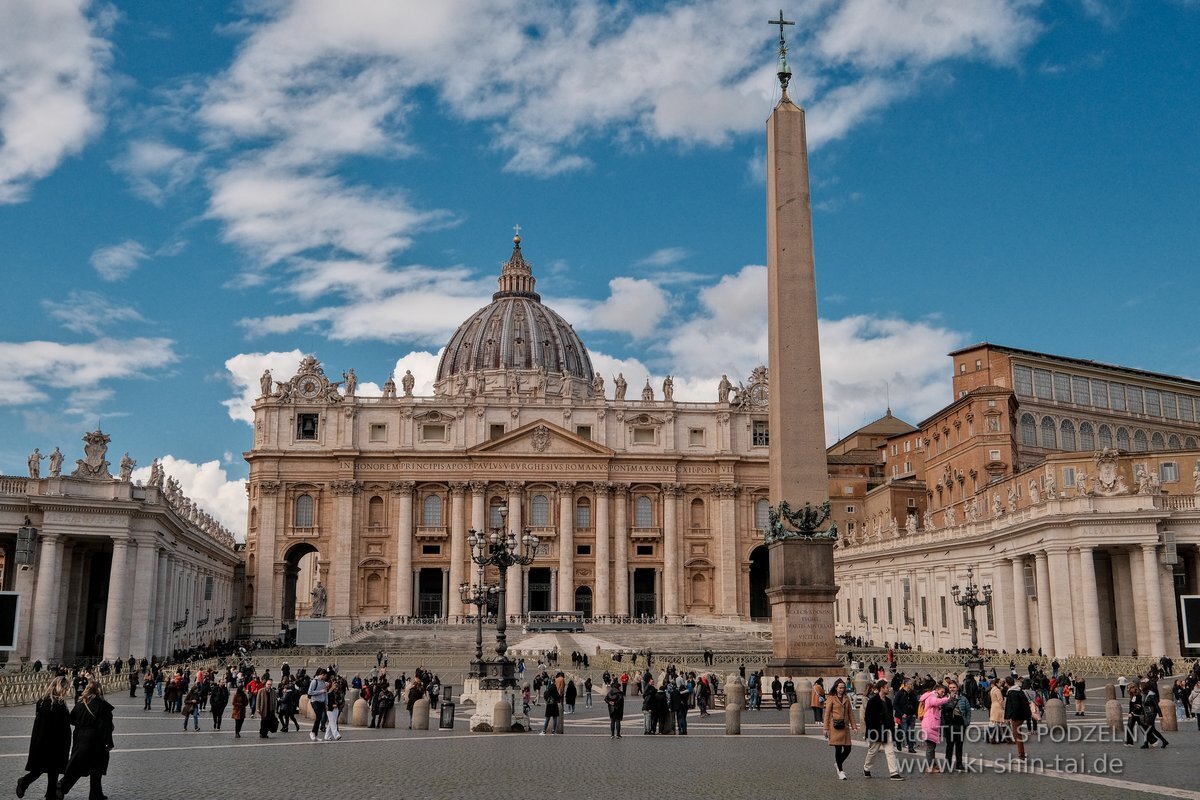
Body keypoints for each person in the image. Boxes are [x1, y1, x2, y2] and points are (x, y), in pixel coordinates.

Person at [56, 681, 114, 800]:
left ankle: (63, 785)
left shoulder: (80, 704)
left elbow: (72, 720)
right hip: (96, 739)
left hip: (79, 737)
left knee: (78, 765)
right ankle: (94, 794)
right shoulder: (102, 705)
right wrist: (109, 742)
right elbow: (105, 726)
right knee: (96, 767)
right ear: (99, 691)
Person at [16, 676, 71, 800]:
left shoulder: (42, 701)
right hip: (55, 741)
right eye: (66, 688)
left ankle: (24, 782)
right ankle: (49, 795)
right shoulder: (59, 704)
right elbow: (62, 725)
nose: (67, 691)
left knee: (39, 769)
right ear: (60, 687)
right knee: (53, 770)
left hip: (40, 740)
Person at [862, 679, 904, 781]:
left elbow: (890, 716)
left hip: (887, 730)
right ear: (881, 688)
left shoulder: (889, 701)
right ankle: (866, 768)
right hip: (876, 730)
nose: (888, 689)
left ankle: (893, 773)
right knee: (873, 751)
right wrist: (872, 730)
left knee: (890, 752)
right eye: (886, 687)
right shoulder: (872, 701)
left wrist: (892, 728)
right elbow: (868, 717)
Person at [823, 679, 858, 780]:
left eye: (843, 688)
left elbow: (850, 713)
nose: (842, 689)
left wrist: (854, 726)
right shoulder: (831, 698)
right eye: (840, 688)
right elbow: (827, 713)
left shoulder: (846, 698)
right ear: (836, 688)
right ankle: (840, 771)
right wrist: (825, 728)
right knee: (838, 749)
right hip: (835, 726)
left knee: (848, 748)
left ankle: (838, 763)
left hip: (845, 726)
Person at [918, 682, 952, 772]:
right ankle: (930, 767)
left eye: (944, 692)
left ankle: (933, 765)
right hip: (930, 725)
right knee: (930, 747)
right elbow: (936, 702)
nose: (943, 693)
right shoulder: (931, 696)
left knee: (931, 747)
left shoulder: (931, 696)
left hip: (931, 725)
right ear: (936, 690)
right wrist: (948, 698)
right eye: (942, 691)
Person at [942, 680, 971, 772]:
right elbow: (942, 711)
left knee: (959, 745)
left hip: (960, 723)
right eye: (950, 688)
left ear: (957, 688)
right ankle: (948, 764)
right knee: (949, 745)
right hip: (949, 724)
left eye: (954, 687)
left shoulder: (963, 699)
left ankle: (959, 763)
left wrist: (967, 722)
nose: (952, 689)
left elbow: (968, 711)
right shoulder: (945, 698)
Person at [1003, 676, 1030, 760]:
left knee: (1017, 735)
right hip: (1022, 715)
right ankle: (1021, 754)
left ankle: (1021, 755)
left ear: (1007, 683)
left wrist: (1011, 717)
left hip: (1016, 717)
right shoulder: (1019, 690)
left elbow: (1015, 706)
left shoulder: (1012, 692)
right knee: (1018, 735)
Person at [1138, 681, 1168, 749]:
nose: (1139, 688)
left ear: (1143, 687)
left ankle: (1146, 744)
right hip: (1146, 713)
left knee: (1148, 729)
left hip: (1151, 714)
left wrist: (1160, 715)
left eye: (1140, 686)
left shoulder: (1151, 695)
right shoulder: (1143, 694)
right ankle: (1163, 741)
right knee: (1151, 729)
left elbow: (1156, 705)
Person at [893, 678, 918, 753]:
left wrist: (915, 713)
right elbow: (895, 705)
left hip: (911, 715)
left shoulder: (912, 693)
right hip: (903, 716)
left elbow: (916, 704)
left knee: (911, 731)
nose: (912, 685)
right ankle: (898, 741)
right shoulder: (899, 693)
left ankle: (911, 748)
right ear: (906, 684)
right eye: (911, 684)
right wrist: (901, 713)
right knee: (904, 731)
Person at [308, 668, 329, 740]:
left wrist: (326, 703)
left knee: (319, 718)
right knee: (319, 716)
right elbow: (309, 692)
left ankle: (315, 735)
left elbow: (325, 694)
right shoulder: (314, 681)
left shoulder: (324, 682)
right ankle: (312, 732)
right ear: (322, 675)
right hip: (314, 701)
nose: (326, 677)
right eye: (325, 676)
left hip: (322, 702)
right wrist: (320, 691)